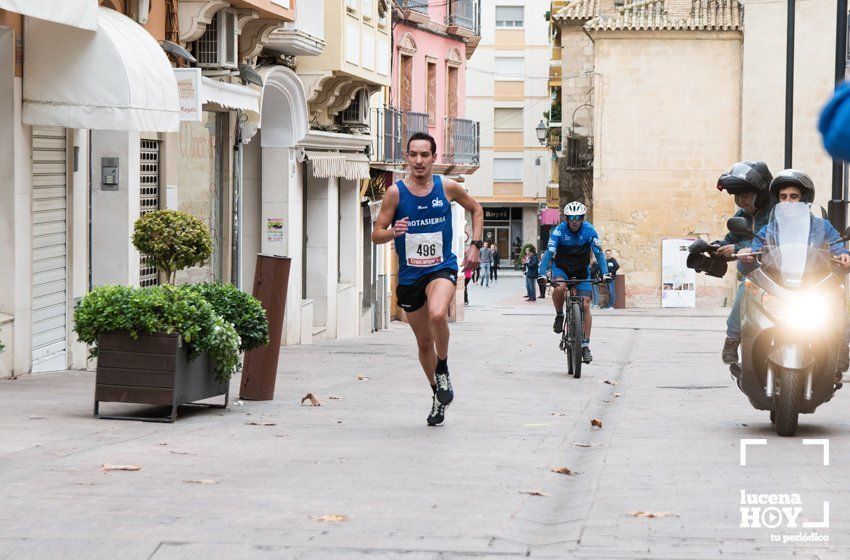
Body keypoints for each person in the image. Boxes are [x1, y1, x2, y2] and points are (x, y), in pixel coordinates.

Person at [372, 132, 484, 426]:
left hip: (440, 268)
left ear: (434, 158)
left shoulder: (446, 187)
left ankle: (443, 367)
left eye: (425, 155)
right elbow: (376, 234)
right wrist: (393, 231)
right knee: (423, 343)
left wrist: (475, 245)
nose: (419, 161)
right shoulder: (395, 193)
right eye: (413, 155)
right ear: (406, 158)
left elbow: (476, 209)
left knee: (437, 313)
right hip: (410, 276)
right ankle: (438, 393)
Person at [739, 169, 850, 383]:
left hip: (813, 285)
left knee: (838, 298)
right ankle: (744, 351)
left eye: (794, 197)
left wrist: (845, 256)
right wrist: (746, 255)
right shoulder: (769, 229)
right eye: (783, 197)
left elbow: (839, 249)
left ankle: (841, 349)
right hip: (779, 286)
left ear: (804, 200)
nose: (788, 202)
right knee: (749, 295)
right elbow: (754, 254)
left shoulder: (822, 227)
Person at [714, 161, 775, 364]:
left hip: (783, 274)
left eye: (746, 195)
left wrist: (738, 250)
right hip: (757, 275)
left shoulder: (777, 214)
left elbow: (771, 243)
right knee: (748, 286)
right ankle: (732, 339)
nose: (741, 201)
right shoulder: (742, 215)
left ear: (762, 192)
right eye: (737, 196)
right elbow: (731, 240)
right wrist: (716, 247)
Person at [538, 201, 610, 364]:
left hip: (581, 270)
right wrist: (542, 274)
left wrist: (605, 273)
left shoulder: (589, 231)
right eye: (571, 217)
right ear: (567, 219)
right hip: (561, 268)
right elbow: (549, 254)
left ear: (583, 218)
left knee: (585, 304)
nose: (575, 220)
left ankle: (585, 345)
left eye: (578, 217)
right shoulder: (558, 231)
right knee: (560, 287)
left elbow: (599, 254)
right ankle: (559, 314)